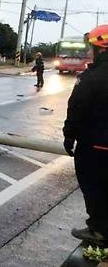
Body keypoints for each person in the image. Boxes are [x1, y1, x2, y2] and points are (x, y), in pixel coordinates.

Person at [63, 24, 108, 246]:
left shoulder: (91, 77)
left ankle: (99, 230)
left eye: (91, 47)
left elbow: (76, 108)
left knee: (93, 185)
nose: (88, 51)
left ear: (101, 49)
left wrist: (69, 136)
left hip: (96, 145)